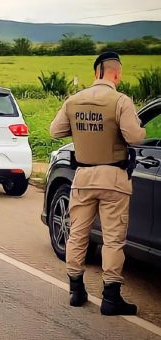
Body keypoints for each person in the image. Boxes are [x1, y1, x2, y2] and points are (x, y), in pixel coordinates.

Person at [50, 52, 145, 316]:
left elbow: (55, 131)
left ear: (95, 74)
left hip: (83, 177)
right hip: (113, 178)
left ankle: (76, 289)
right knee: (113, 239)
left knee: (77, 234)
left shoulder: (74, 100)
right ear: (117, 74)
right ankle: (111, 298)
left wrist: (80, 129)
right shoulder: (121, 101)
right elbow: (135, 137)